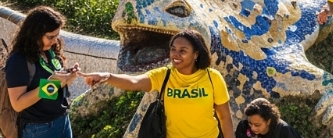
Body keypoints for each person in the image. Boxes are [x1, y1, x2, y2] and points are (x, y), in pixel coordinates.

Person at [80, 29, 235, 138]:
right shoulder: (164, 75)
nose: (176, 54)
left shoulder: (212, 77)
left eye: (183, 51)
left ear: (196, 54)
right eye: (173, 49)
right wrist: (107, 76)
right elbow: (134, 82)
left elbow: (225, 117)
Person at [6, 6, 80, 138]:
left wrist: (69, 77)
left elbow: (56, 87)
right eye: (50, 37)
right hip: (39, 129)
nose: (55, 41)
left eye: (57, 36)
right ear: (34, 34)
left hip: (62, 121)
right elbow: (17, 104)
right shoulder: (18, 60)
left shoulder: (49, 50)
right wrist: (50, 84)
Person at [235, 98, 300, 138]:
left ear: (268, 121)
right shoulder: (243, 127)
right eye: (250, 123)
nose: (253, 128)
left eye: (257, 125)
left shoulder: (283, 131)